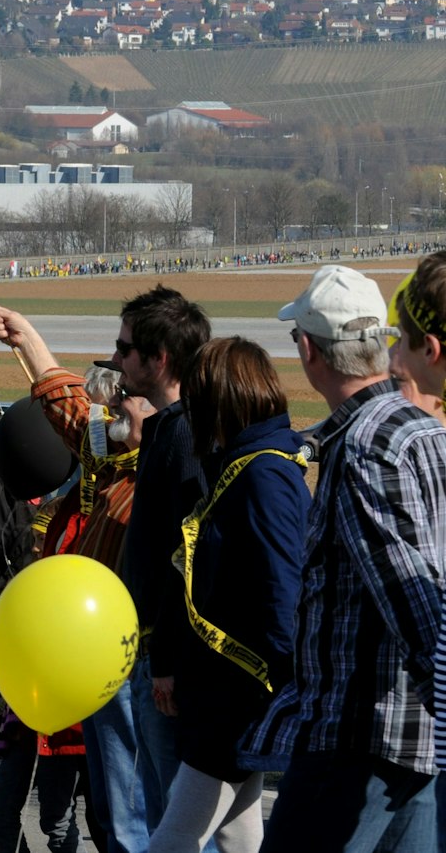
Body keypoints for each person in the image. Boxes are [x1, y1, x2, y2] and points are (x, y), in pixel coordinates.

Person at [248, 265, 446, 851]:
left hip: (358, 741)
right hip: (417, 742)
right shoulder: (425, 430)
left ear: (308, 350)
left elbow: (415, 606)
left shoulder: (365, 446)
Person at [0, 303, 158, 853]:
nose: (113, 406)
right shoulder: (111, 463)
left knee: (131, 816)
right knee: (112, 814)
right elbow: (72, 411)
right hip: (87, 668)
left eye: (125, 392)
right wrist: (28, 339)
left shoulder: (166, 470)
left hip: (139, 669)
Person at [141, 337, 309, 853]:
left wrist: (290, 692)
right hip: (230, 694)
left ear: (221, 400)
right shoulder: (248, 467)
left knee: (173, 837)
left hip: (238, 698)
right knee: (240, 834)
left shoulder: (263, 476)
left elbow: (284, 589)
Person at [109, 285, 214, 838]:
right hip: (152, 650)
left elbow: (186, 561)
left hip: (169, 660)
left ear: (160, 359)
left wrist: (168, 660)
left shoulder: (184, 436)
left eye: (126, 349)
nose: (117, 357)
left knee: (179, 816)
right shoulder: (165, 428)